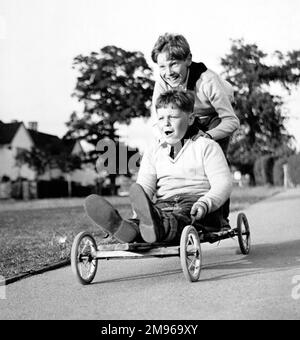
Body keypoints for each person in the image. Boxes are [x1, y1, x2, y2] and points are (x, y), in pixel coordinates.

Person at [84, 90, 232, 244]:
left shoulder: (206, 146)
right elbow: (144, 188)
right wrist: (139, 212)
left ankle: (152, 228)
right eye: (161, 118)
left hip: (197, 204)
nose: (166, 123)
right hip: (164, 205)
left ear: (190, 119)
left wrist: (206, 203)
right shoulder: (154, 150)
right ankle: (128, 229)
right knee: (155, 217)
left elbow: (223, 184)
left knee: (177, 219)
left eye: (173, 117)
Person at [151, 32, 239, 154]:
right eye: (162, 67)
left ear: (188, 59)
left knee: (210, 153)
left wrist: (208, 136)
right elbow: (156, 121)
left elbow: (232, 121)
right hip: (190, 116)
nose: (168, 72)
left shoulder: (207, 81)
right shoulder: (162, 82)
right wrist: (165, 141)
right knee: (180, 154)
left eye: (174, 64)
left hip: (215, 115)